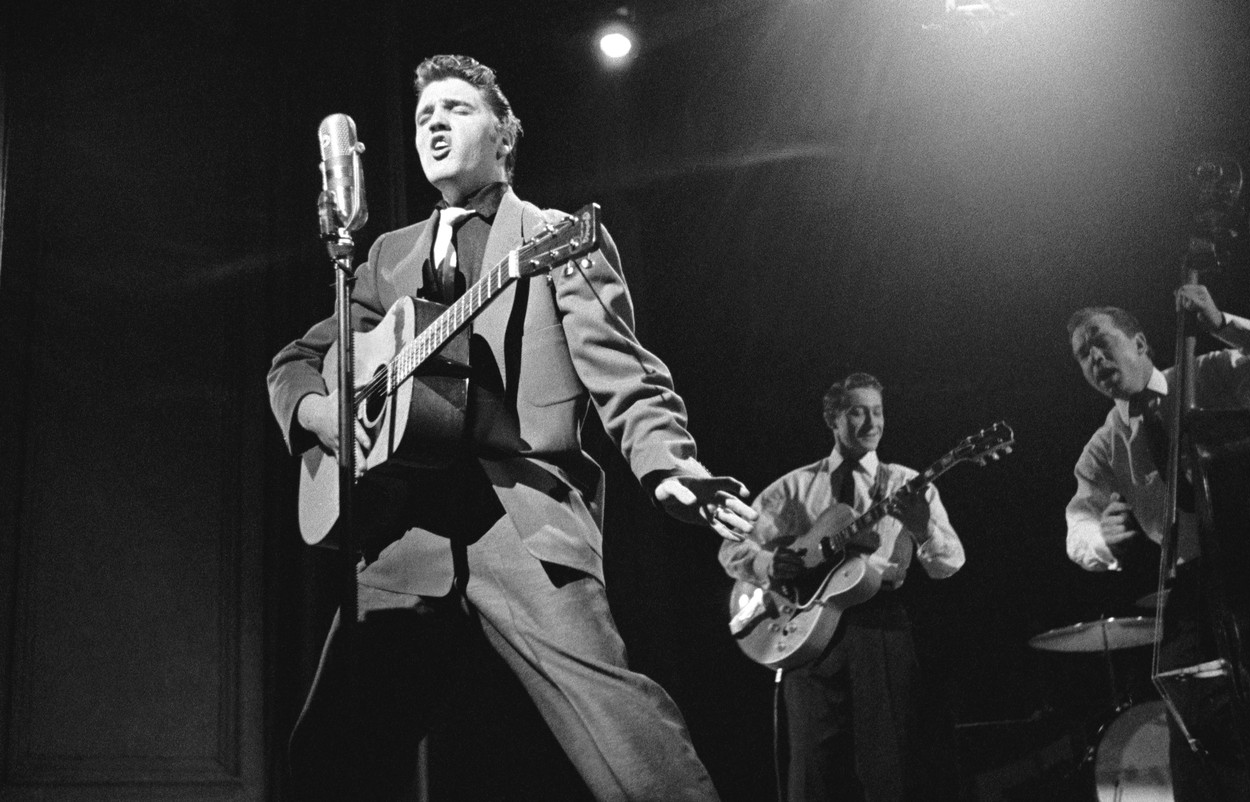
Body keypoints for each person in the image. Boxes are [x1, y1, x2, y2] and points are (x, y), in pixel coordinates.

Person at [268, 54, 757, 801]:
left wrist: (671, 468)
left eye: (457, 109)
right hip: (404, 531)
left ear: (504, 137)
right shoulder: (383, 257)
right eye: (425, 113)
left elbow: (625, 373)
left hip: (518, 518)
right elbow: (296, 361)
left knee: (629, 742)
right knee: (331, 755)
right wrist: (321, 413)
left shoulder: (556, 238)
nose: (433, 120)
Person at [1062, 286, 1250, 801]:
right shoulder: (1104, 444)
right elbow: (1078, 519)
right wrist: (1103, 541)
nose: (1094, 358)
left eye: (1100, 342)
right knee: (1197, 747)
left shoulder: (1207, 376)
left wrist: (1222, 321)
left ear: (1140, 344)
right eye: (1081, 355)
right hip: (1191, 591)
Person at [718, 372, 966, 802]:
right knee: (810, 771)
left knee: (888, 766)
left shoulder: (906, 482)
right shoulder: (796, 486)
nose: (872, 422)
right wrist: (769, 562)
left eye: (878, 411)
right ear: (833, 419)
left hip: (880, 626)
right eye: (858, 412)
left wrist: (923, 530)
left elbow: (949, 563)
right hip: (804, 633)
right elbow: (731, 548)